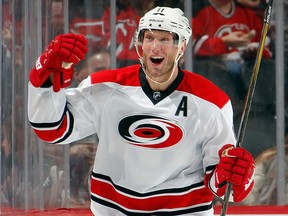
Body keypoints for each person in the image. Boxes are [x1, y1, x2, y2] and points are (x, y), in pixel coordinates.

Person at [27, 6, 255, 215]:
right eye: (149, 38)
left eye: (165, 39)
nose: (155, 46)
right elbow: (51, 128)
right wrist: (46, 81)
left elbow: (223, 188)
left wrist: (235, 176)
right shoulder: (105, 88)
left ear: (182, 47)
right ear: (139, 45)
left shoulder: (212, 102)